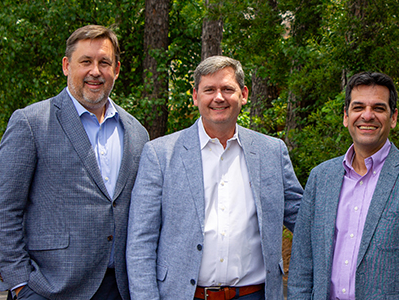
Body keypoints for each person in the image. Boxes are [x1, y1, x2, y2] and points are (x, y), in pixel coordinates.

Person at [0, 25, 149, 300]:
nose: (95, 71)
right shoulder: (32, 122)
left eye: (104, 62)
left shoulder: (136, 132)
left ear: (116, 69)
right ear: (66, 65)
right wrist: (21, 285)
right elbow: (1, 209)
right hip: (50, 288)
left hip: (119, 289)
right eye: (85, 61)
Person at [126, 55, 303, 300]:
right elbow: (140, 241)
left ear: (244, 94)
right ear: (195, 96)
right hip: (184, 295)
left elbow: (304, 220)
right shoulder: (160, 154)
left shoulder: (272, 151)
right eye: (209, 89)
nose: (218, 97)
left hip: (254, 295)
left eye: (227, 89)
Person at [287, 71, 399, 299]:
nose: (368, 115)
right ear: (346, 116)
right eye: (358, 107)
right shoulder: (320, 178)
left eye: (379, 108)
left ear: (393, 118)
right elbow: (303, 261)